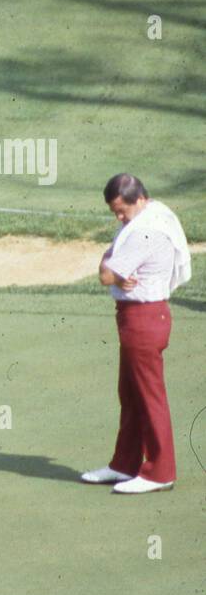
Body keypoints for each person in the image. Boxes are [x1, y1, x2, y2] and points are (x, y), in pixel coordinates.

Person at [80, 174, 190, 494]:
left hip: (143, 318)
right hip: (137, 318)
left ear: (138, 199)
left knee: (148, 396)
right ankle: (124, 464)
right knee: (130, 394)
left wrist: (109, 268)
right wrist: (111, 266)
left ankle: (160, 472)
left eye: (120, 210)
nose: (118, 217)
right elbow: (112, 264)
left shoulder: (145, 230)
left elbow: (106, 274)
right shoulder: (148, 215)